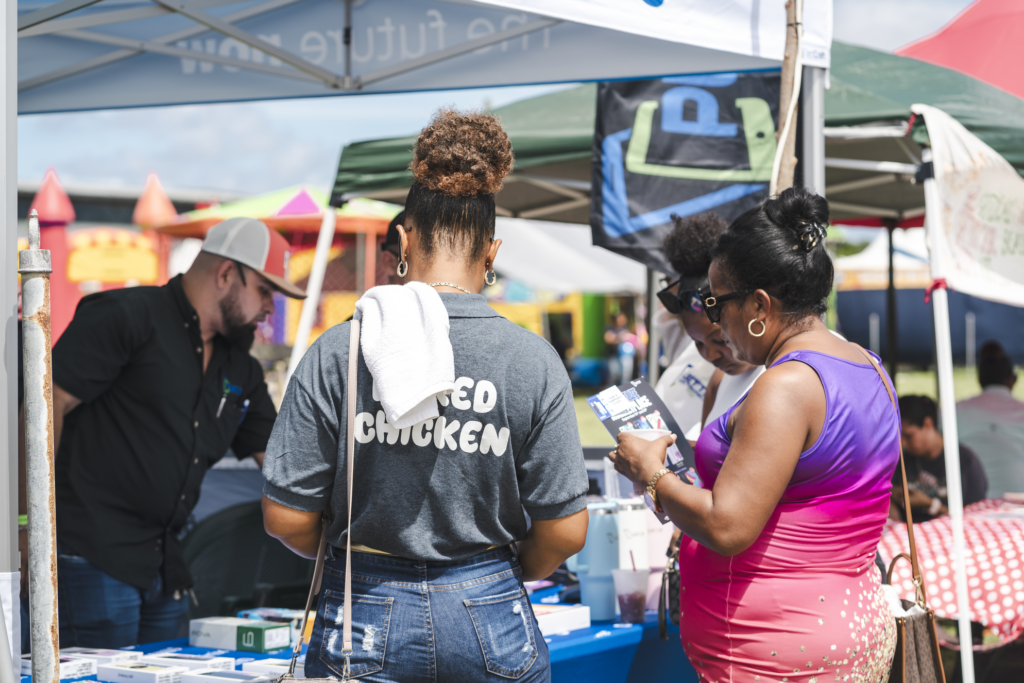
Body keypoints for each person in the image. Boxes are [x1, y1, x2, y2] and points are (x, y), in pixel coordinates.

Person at [262, 108, 589, 683]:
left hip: (363, 601)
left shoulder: (340, 349)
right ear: (492, 251)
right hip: (490, 603)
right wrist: (503, 570)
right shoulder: (532, 359)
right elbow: (564, 530)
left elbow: (287, 517)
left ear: (404, 239)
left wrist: (352, 562)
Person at [609, 187, 899, 683]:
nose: (715, 320)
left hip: (779, 652)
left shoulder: (785, 386)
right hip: (847, 627)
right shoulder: (867, 365)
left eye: (717, 304)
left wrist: (651, 473)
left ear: (760, 305)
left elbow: (729, 527)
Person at [25, 217, 305, 647]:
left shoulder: (241, 368)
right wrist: (30, 527)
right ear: (227, 273)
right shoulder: (127, 316)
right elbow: (46, 404)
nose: (271, 308)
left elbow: (279, 459)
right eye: (266, 291)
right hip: (91, 555)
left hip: (165, 568)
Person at [659, 212, 764, 440]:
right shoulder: (719, 380)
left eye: (720, 339)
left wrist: (654, 474)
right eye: (697, 343)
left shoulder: (786, 373)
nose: (710, 355)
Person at [896, 394, 987, 521]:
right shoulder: (904, 460)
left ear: (928, 424)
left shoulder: (964, 461)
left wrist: (930, 504)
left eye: (908, 435)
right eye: (898, 437)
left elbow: (975, 516)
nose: (903, 443)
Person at [956, 340, 1024, 497]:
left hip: (968, 503)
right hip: (1018, 504)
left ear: (979, 379)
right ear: (1011, 379)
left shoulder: (955, 410)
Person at [605, 311, 639, 384]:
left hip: (624, 356)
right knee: (614, 375)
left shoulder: (626, 328)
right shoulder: (611, 328)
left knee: (625, 375)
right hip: (614, 355)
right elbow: (608, 338)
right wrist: (620, 337)